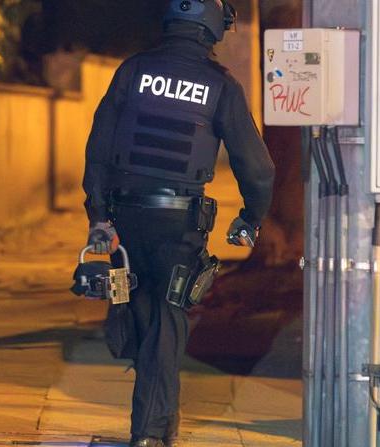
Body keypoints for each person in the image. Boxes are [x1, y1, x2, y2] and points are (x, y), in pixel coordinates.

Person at [82, 1, 275, 445]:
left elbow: (98, 148)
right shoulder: (219, 85)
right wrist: (251, 217)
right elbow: (258, 168)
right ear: (213, 28)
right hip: (179, 225)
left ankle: (158, 424)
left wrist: (98, 216)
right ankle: (150, 433)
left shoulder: (134, 70)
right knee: (168, 322)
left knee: (144, 316)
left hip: (126, 218)